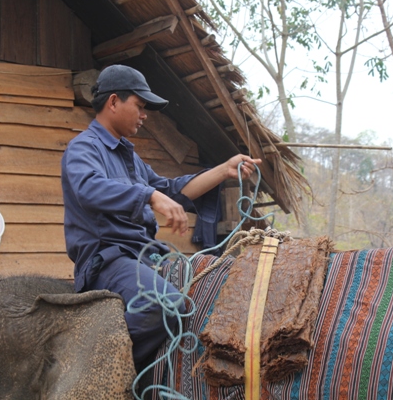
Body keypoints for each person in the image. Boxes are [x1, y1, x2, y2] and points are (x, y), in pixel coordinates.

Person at [60, 64, 261, 370]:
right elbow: (89, 188)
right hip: (107, 262)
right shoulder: (82, 149)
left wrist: (223, 170)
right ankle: (102, 373)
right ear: (114, 102)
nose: (144, 115)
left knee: (207, 290)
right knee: (165, 303)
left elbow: (171, 189)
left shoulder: (131, 159)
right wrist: (150, 196)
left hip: (146, 258)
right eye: (140, 106)